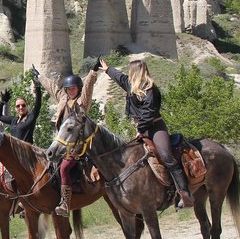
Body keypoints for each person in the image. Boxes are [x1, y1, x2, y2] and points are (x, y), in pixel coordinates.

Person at [100, 58, 193, 208]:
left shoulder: (150, 88)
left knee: (166, 156)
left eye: (130, 70)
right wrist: (107, 69)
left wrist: (141, 130)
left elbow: (149, 112)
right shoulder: (131, 85)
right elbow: (120, 78)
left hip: (155, 127)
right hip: (141, 128)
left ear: (136, 71)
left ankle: (184, 193)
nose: (128, 73)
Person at [41, 64, 99, 217]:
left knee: (65, 167)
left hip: (78, 146)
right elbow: (53, 88)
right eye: (69, 89)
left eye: (74, 88)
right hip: (62, 143)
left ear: (78, 88)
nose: (71, 91)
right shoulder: (63, 99)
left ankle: (65, 203)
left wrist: (93, 72)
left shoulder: (83, 102)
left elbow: (89, 86)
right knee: (45, 163)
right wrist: (40, 76)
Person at [0, 69, 43, 144]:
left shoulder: (30, 117)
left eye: (23, 105)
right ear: (15, 108)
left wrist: (37, 86)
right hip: (14, 152)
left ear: (27, 106)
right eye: (18, 106)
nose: (21, 107)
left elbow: (38, 105)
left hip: (26, 152)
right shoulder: (13, 120)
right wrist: (3, 102)